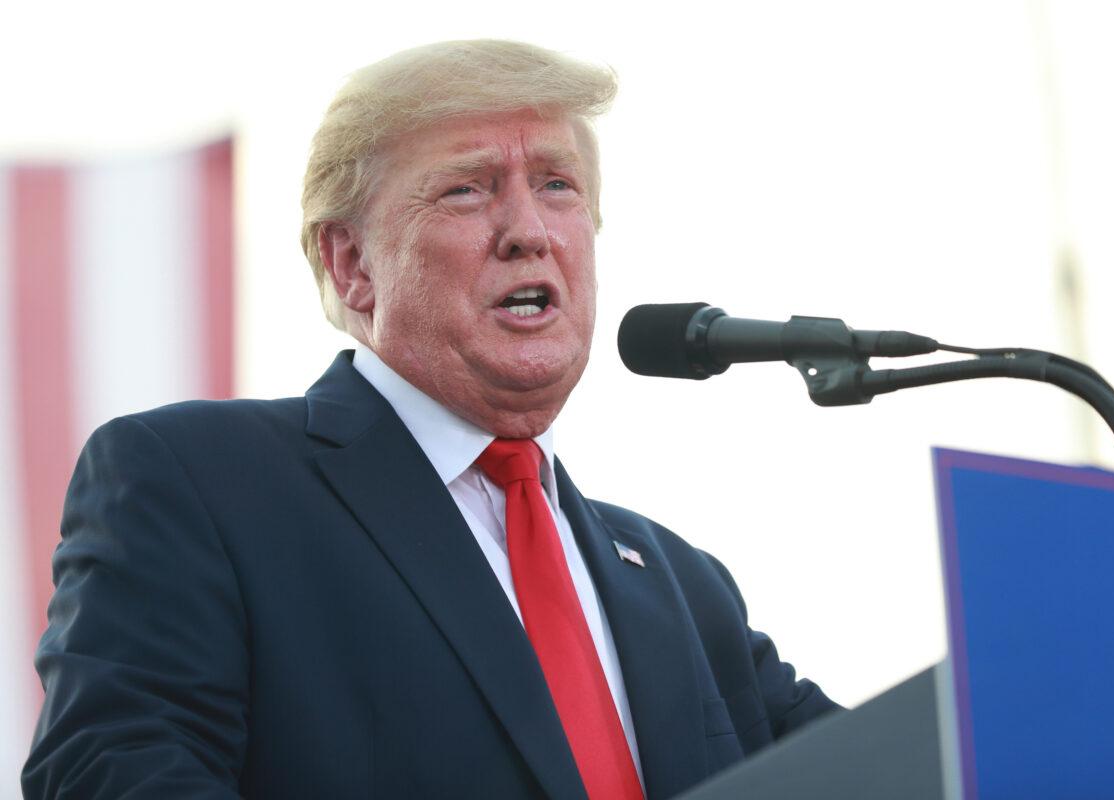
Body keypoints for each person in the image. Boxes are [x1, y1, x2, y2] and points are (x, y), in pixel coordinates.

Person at [23, 40, 838, 799]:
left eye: (557, 184)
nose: (530, 232)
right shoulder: (200, 484)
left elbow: (902, 758)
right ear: (352, 264)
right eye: (468, 188)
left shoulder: (685, 587)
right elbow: (114, 771)